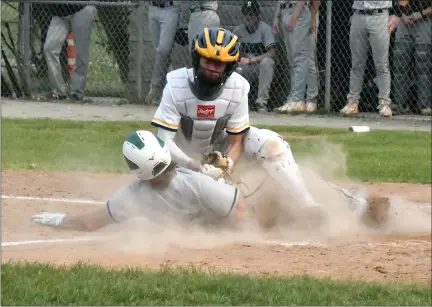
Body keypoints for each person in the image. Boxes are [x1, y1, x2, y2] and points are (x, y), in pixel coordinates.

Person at [151, 26, 328, 220]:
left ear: (229, 67)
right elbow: (164, 141)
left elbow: (237, 140)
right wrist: (194, 164)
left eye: (219, 64)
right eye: (208, 60)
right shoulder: (175, 85)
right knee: (222, 217)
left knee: (273, 144)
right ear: (196, 58)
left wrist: (225, 165)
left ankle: (307, 206)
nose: (212, 68)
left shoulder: (239, 87)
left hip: (219, 153)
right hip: (183, 160)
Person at [32, 130, 246, 231]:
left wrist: (59, 220)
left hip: (204, 217)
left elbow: (89, 223)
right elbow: (240, 213)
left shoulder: (133, 195)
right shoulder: (198, 182)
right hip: (217, 209)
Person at [339, 0, 398, 117]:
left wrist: (397, 15)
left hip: (380, 15)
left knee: (381, 64)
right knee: (356, 64)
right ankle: (353, 102)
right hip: (358, 14)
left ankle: (384, 103)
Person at [42, 3, 95, 101]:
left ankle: (77, 93)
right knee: (49, 48)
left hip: (81, 8)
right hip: (59, 13)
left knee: (81, 53)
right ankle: (58, 92)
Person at [233, 0, 277, 113]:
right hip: (245, 67)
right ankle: (237, 104)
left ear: (258, 15)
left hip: (259, 66)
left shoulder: (265, 29)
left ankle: (261, 103)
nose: (249, 16)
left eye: (252, 14)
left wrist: (252, 60)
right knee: (235, 67)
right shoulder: (238, 30)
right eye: (246, 13)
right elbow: (230, 50)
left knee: (268, 62)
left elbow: (272, 52)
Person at [391, 0, 432, 116]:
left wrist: (422, 13)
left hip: (424, 21)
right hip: (404, 22)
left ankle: (424, 105)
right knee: (400, 62)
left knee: (423, 64)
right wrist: (402, 15)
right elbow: (396, 3)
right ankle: (399, 104)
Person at [272, 1, 312, 113]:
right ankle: (292, 98)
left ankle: (297, 99)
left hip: (298, 11)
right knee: (292, 60)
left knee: (299, 57)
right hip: (285, 10)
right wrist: (277, 16)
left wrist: (295, 15)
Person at [145, 1, 181, 106]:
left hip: (170, 8)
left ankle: (155, 89)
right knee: (160, 54)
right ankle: (170, 91)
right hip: (153, 8)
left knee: (163, 50)